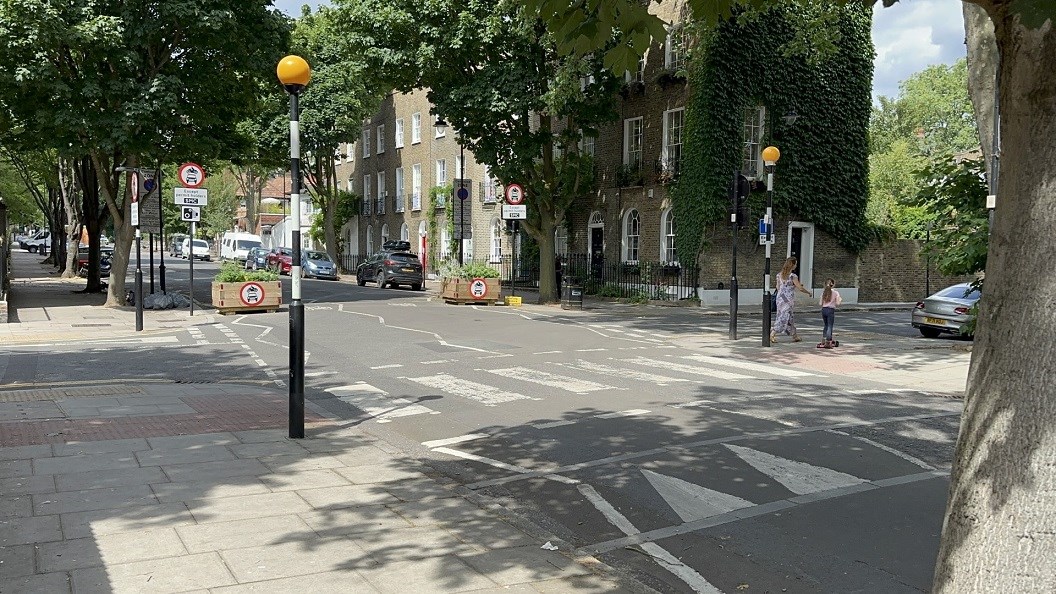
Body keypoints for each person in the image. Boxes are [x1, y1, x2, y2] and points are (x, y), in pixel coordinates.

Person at [771, 256, 812, 343]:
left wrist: (786, 289)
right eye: (795, 264)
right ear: (792, 265)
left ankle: (794, 335)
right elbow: (800, 288)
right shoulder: (793, 276)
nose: (796, 266)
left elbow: (778, 287)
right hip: (788, 300)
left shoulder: (779, 275)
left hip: (780, 298)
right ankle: (773, 333)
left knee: (789, 316)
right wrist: (808, 292)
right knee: (784, 316)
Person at [817, 278, 842, 349]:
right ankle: (828, 341)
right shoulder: (835, 293)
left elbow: (820, 303)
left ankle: (824, 339)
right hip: (830, 310)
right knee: (830, 326)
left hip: (824, 309)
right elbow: (837, 303)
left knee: (826, 325)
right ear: (833, 284)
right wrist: (839, 299)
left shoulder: (823, 292)